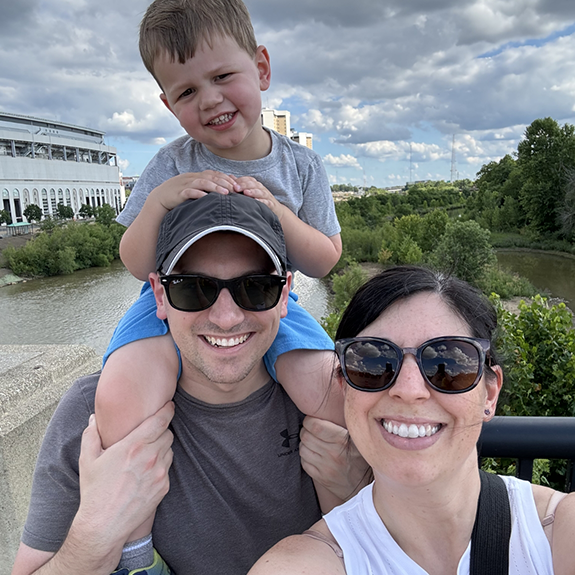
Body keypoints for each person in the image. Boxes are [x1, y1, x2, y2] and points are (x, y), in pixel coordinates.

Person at [96, 0, 343, 566]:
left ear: (261, 68)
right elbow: (135, 262)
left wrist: (275, 214)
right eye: (185, 92)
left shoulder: (301, 167)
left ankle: (338, 529)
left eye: (223, 76)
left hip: (271, 299)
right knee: (120, 392)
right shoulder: (169, 162)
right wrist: (159, 201)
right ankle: (137, 553)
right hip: (170, 297)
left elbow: (326, 259)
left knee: (333, 392)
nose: (208, 99)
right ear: (166, 104)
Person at [12, 194, 366, 575]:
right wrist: (96, 531)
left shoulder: (345, 406)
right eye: (193, 288)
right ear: (159, 296)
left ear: (285, 295)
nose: (227, 318)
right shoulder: (90, 413)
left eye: (256, 287)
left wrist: (357, 496)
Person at [249, 266, 575, 575]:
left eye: (448, 362)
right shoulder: (305, 564)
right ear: (344, 388)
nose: (408, 390)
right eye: (373, 361)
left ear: (489, 395)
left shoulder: (558, 530)